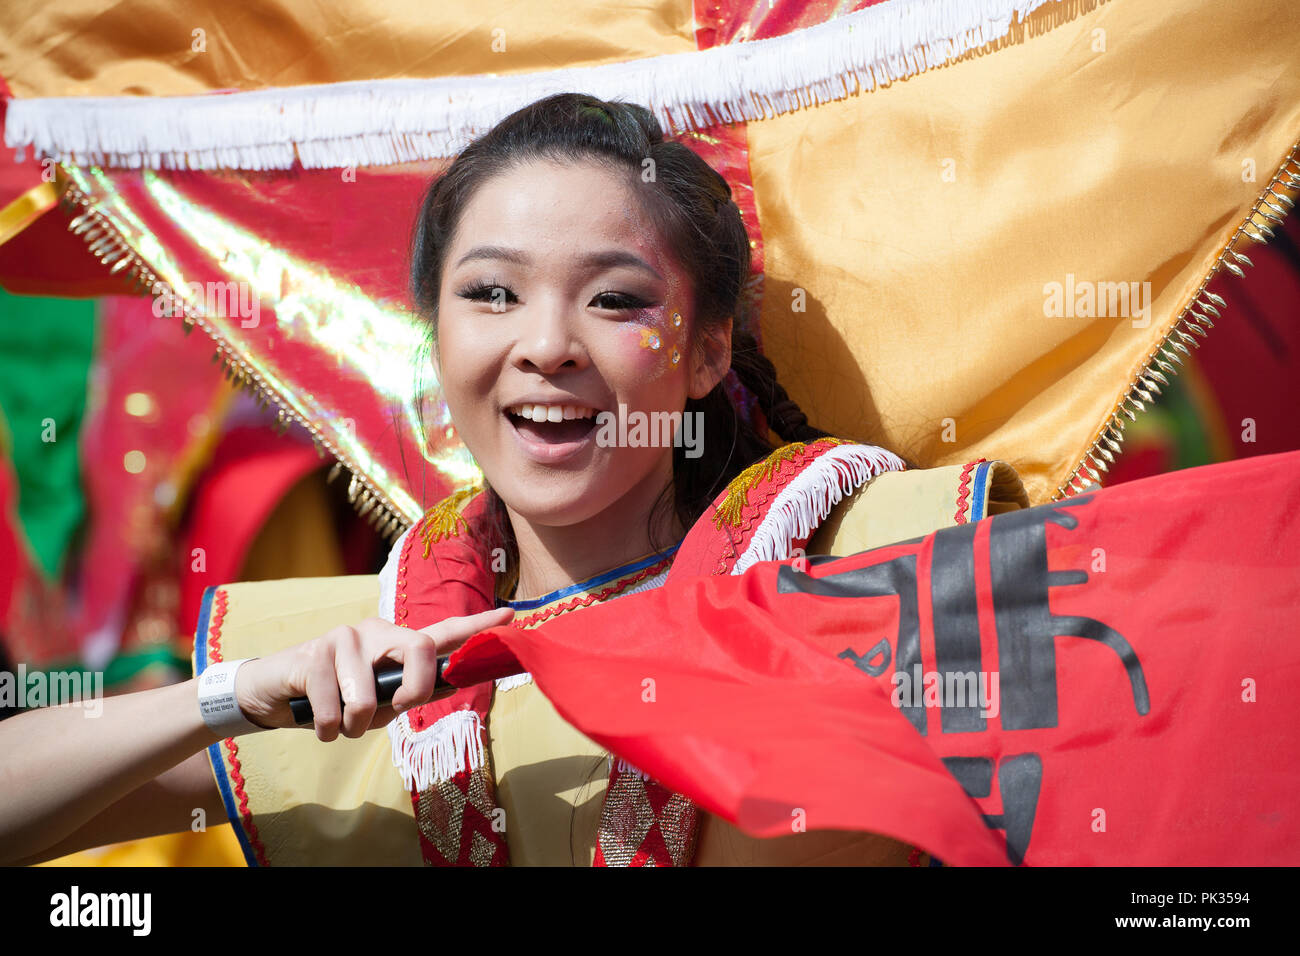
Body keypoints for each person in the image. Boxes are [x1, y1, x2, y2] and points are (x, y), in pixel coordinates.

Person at [1, 93, 1025, 867]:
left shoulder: (891, 561)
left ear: (709, 350)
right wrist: (221, 700)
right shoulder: (347, 671)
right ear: (437, 340)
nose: (545, 344)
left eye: (614, 298)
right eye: (491, 292)